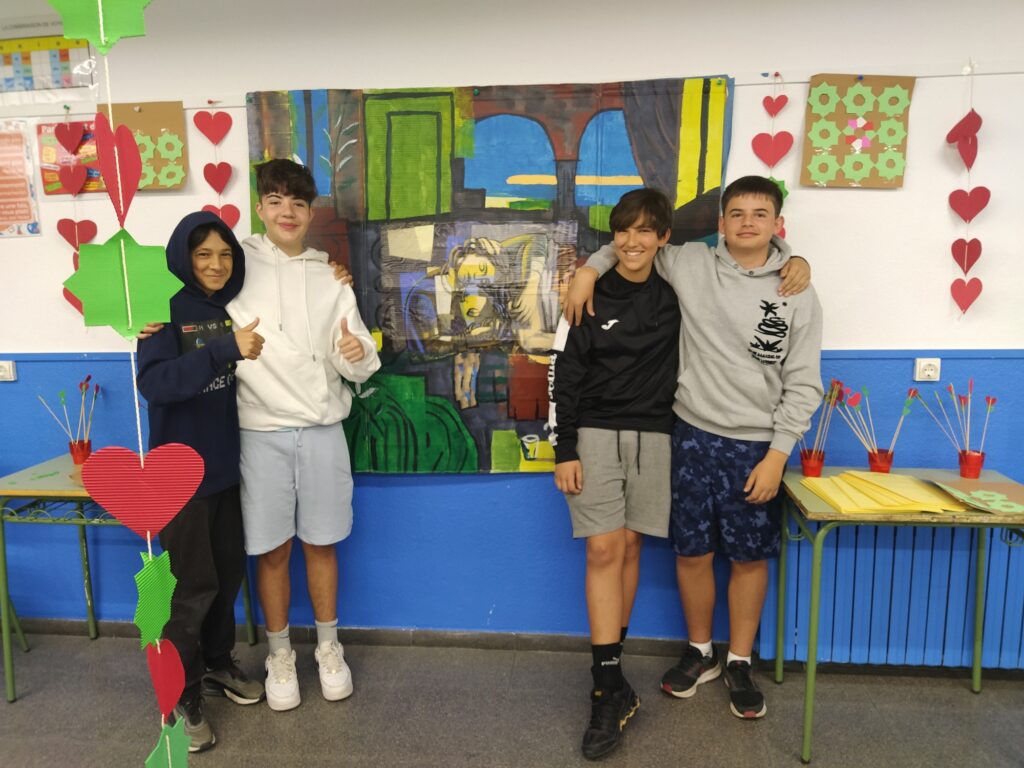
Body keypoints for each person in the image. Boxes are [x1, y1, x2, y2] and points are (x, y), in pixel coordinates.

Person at [566, 175, 822, 720]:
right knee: (693, 552)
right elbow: (631, 245)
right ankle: (701, 651)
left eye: (760, 214)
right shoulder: (690, 263)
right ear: (720, 223)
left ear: (778, 224)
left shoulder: (797, 290)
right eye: (737, 214)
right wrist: (588, 269)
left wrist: (778, 454)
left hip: (757, 445)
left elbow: (804, 384)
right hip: (688, 432)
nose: (747, 223)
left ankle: (740, 661)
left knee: (749, 557)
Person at [228, 159, 381, 712]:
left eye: (297, 203)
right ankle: (279, 654)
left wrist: (356, 353)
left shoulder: (328, 277)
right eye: (275, 201)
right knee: (272, 549)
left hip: (321, 429)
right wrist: (154, 324)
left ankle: (328, 648)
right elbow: (189, 295)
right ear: (260, 207)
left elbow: (359, 358)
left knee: (322, 541)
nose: (286, 212)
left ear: (311, 212)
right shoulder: (235, 265)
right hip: (260, 430)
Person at [548, 188, 680, 759]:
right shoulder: (589, 292)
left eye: (645, 230)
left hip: (657, 436)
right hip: (595, 435)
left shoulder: (678, 294)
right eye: (623, 230)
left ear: (663, 238)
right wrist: (565, 449)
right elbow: (567, 373)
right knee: (603, 549)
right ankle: (604, 688)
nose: (632, 241)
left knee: (629, 547)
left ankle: (616, 671)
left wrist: (796, 260)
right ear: (613, 236)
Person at [137, 211, 267, 752]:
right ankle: (181, 696)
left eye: (225, 254)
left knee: (227, 575)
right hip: (177, 480)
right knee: (189, 591)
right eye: (203, 254)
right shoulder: (161, 310)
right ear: (184, 258)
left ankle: (215, 664)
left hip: (223, 472)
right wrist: (224, 349)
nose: (216, 265)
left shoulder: (228, 308)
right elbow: (155, 384)